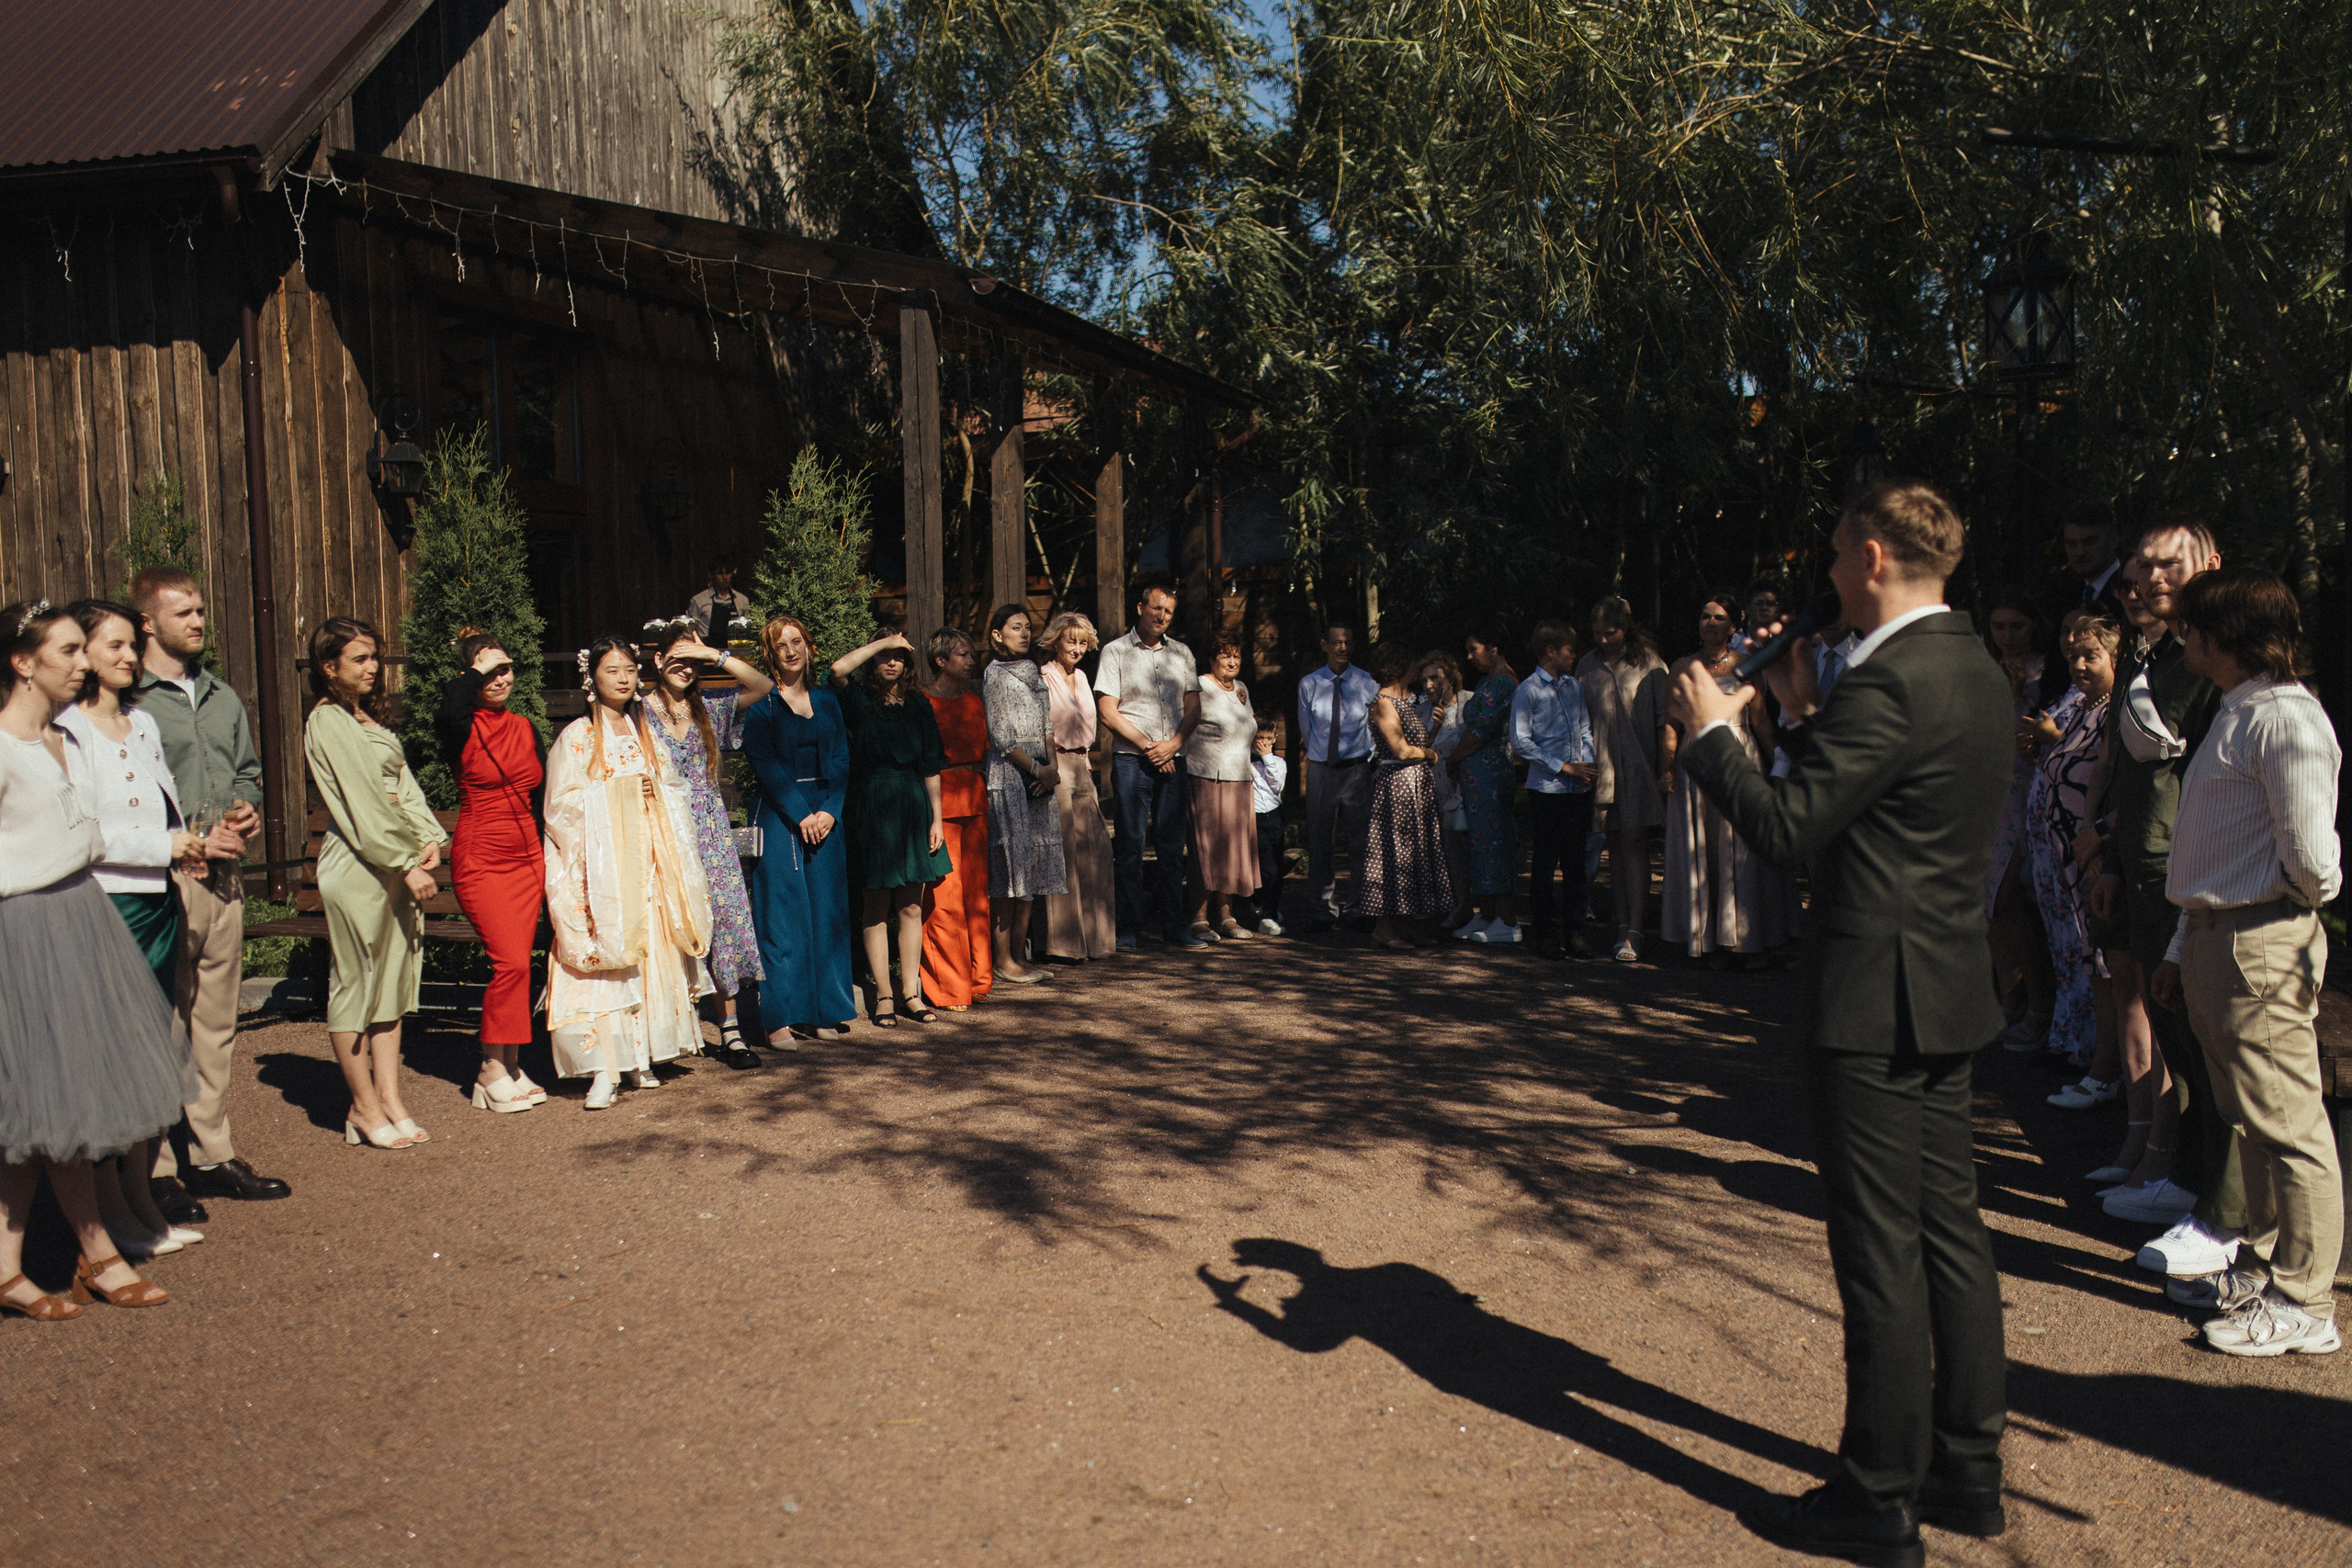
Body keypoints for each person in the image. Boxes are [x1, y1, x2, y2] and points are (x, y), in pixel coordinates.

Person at [1670, 480, 2011, 1561]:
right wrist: (1807, 712)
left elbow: (1784, 832)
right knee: (1949, 1234)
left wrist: (1713, 733)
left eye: (1830, 556)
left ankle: (1876, 1495)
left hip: (1870, 998)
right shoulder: (1968, 664)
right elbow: (1883, 806)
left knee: (1878, 1251)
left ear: (1869, 556)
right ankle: (1966, 1471)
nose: (1823, 577)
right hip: (1943, 984)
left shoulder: (1890, 680)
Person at [2149, 570, 2342, 1354]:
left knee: (2289, 1125)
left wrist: (2278, 913)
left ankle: (2307, 1301)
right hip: (2218, 934)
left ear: (2225, 635)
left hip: (2257, 937)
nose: (2182, 638)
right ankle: (2265, 1267)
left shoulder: (2287, 717)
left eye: (2191, 626)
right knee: (2252, 1121)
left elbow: (2313, 857)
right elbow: (2213, 848)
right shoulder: (2241, 710)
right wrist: (2181, 943)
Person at [0, 602, 187, 1318]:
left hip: (80, 915)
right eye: (69, 650)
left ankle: (12, 1265)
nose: (84, 663)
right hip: (25, 928)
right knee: (47, 1097)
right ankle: (97, 1252)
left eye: (86, 649)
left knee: (51, 1102)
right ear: (24, 662)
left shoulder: (64, 738)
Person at [2079, 521, 2239, 1275]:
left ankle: (2220, 1208)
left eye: (2167, 564)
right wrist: (2111, 854)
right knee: (2172, 1033)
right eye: (2140, 565)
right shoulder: (2154, 655)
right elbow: (2131, 773)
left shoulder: (2216, 664)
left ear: (2211, 565)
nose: (2148, 578)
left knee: (2206, 1047)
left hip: (2195, 881)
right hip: (2144, 872)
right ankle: (2186, 1179)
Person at [56, 600, 216, 1258]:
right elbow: (82, 832)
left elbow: (161, 805)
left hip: (158, 903)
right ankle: (110, 1213)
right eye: (115, 646)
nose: (129, 657)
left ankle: (142, 1199)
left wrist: (190, 842)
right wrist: (161, 845)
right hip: (107, 907)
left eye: (131, 644)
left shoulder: (142, 721)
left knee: (154, 1056)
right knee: (112, 1063)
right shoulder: (67, 731)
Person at [131, 568, 287, 1212]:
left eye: (200, 610)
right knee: (161, 1022)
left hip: (225, 879)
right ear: (147, 622)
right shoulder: (129, 701)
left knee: (216, 1024)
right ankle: (157, 1167)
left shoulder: (222, 697)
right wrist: (180, 841)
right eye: (184, 612)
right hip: (161, 880)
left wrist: (246, 807)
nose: (199, 621)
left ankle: (212, 1154)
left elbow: (246, 772)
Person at [544, 635, 715, 1106]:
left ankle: (640, 1056)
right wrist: (618, 796)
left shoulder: (647, 735)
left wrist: (656, 795)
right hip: (603, 872)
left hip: (648, 865)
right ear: (591, 678)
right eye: (611, 670)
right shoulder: (577, 736)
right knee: (609, 960)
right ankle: (604, 1067)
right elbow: (560, 807)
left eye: (629, 670)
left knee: (647, 953)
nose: (622, 678)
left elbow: (673, 788)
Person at [303, 617, 449, 1149]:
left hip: (394, 860)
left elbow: (403, 786)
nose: (372, 668)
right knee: (356, 982)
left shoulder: (366, 717)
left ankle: (391, 1100)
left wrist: (429, 836)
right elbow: (362, 801)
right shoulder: (327, 720)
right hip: (358, 862)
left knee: (390, 981)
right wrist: (404, 861)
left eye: (374, 658)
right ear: (329, 667)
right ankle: (363, 1107)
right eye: (359, 659)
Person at [643, 620, 774, 1066]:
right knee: (667, 922)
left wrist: (713, 655)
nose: (685, 667)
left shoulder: (710, 708)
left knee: (722, 922)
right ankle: (668, 1031)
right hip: (661, 828)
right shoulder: (638, 713)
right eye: (676, 658)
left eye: (692, 662)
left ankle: (731, 1031)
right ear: (658, 660)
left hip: (710, 830)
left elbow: (764, 686)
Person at [436, 633, 552, 1109]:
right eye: (488, 671)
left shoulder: (524, 727)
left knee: (520, 962)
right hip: (482, 855)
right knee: (509, 963)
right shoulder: (460, 726)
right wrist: (476, 668)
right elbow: (449, 706)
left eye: (506, 669)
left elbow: (541, 799)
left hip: (528, 859)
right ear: (470, 676)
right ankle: (489, 1068)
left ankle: (512, 1063)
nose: (500, 679)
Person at [1659, 591, 1790, 968]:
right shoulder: (1682, 666)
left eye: (1719, 617)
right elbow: (1670, 723)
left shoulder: (1749, 665)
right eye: (1705, 616)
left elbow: (1761, 720)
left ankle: (1744, 941)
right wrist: (1666, 767)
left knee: (1742, 847)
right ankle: (1705, 941)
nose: (1710, 623)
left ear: (1734, 625)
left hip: (1740, 754)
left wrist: (1780, 766)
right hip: (1696, 759)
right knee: (1702, 848)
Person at [741, 616, 855, 1042]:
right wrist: (800, 813)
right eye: (780, 645)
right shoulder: (763, 704)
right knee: (782, 918)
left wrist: (831, 810)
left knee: (828, 913)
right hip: (779, 814)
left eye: (796, 642)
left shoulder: (826, 699)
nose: (790, 651)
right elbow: (765, 764)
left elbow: (841, 757)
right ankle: (780, 1016)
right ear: (770, 655)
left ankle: (824, 1010)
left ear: (809, 646)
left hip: (825, 813)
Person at [831, 630, 951, 1022]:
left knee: (912, 906)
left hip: (914, 804)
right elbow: (837, 670)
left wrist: (937, 819)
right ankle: (883, 995)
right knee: (876, 905)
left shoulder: (918, 705)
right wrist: (883, 642)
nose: (891, 661)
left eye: (899, 655)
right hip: (873, 804)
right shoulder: (860, 701)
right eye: (885, 655)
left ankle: (910, 993)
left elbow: (931, 765)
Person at [2021, 610, 2116, 1068]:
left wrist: (2093, 844)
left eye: (2091, 655)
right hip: (2064, 856)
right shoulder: (2080, 707)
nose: (2079, 665)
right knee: (2076, 954)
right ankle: (2082, 1049)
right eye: (2074, 655)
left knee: (2100, 960)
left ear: (2115, 656)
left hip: (2094, 856)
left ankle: (2105, 1064)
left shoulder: (2116, 712)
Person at [1096, 579, 1200, 949]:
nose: (1162, 616)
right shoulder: (1115, 651)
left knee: (1172, 846)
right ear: (1140, 608)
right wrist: (1149, 748)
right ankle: (1129, 928)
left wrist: (1172, 746)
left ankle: (1175, 927)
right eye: (1156, 608)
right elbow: (1107, 712)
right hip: (1131, 762)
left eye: (1169, 611)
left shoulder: (1182, 654)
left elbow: (1193, 709)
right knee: (1130, 846)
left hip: (1174, 758)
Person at [1984, 588, 2059, 1050]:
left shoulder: (2050, 672)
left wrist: (2015, 697)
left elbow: (2031, 738)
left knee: (2012, 894)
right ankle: (2008, 999)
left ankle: (2039, 1005)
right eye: (1999, 626)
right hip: (1988, 789)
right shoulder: (1983, 665)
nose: (2007, 636)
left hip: (2031, 789)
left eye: (2017, 626)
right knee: (1990, 900)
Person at [981, 604, 1067, 981]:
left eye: (1027, 627)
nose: (1024, 633)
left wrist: (1052, 769)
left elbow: (1047, 724)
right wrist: (1036, 770)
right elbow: (1001, 738)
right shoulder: (994, 675)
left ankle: (1019, 955)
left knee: (1031, 865)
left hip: (1040, 776)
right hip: (1011, 775)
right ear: (997, 635)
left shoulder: (1033, 670)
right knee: (1010, 866)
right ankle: (1003, 959)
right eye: (1015, 627)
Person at [1579, 597, 1668, 964]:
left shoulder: (1649, 662)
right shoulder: (1587, 664)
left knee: (1635, 841)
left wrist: (1665, 769)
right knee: (1613, 843)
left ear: (1626, 627)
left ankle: (1636, 928)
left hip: (1638, 765)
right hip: (1602, 768)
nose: (1603, 640)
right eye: (1597, 633)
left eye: (1611, 632)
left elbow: (1664, 722)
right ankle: (1621, 924)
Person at [1360, 643, 1455, 948]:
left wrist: (1434, 730)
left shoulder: (1402, 702)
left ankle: (1405, 923)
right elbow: (1401, 751)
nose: (1415, 670)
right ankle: (1384, 928)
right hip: (1398, 787)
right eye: (1411, 664)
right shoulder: (1384, 703)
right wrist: (1428, 754)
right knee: (1394, 853)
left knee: (1412, 854)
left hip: (1415, 786)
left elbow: (1417, 746)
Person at [1511, 622, 1597, 959]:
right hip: (1547, 789)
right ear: (1550, 651)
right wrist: (1563, 767)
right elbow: (1521, 741)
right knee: (1546, 863)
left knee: (1576, 863)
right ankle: (1545, 934)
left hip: (1576, 790)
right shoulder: (1529, 690)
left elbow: (1584, 727)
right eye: (1569, 651)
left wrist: (1586, 763)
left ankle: (1575, 931)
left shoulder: (1573, 687)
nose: (1573, 657)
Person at [920, 628, 993, 1009]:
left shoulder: (974, 701)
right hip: (941, 803)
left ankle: (979, 979)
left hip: (975, 798)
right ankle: (951, 987)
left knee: (976, 894)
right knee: (944, 896)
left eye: (971, 654)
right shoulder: (923, 700)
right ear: (941, 660)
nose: (970, 661)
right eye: (963, 654)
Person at [1036, 613, 1116, 961]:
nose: (1078, 648)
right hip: (1055, 767)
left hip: (1083, 767)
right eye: (1071, 641)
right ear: (1056, 641)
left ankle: (1096, 941)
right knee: (1063, 854)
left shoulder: (1083, 677)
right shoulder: (1043, 676)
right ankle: (1064, 945)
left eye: (1083, 643)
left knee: (1094, 851)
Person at [1295, 619, 1379, 930]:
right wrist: (1322, 759)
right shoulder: (1310, 684)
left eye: (1347, 643)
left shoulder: (1367, 683)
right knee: (1320, 842)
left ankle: (1358, 908)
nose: (1342, 648)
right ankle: (1322, 910)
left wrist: (1366, 760)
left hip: (1356, 771)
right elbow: (1308, 729)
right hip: (1321, 771)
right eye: (1336, 642)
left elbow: (1374, 727)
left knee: (1360, 841)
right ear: (1325, 646)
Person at [1184, 633, 1260, 942]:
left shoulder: (1241, 688)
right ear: (1212, 659)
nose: (1232, 662)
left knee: (1232, 851)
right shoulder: (1200, 686)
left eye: (1236, 656)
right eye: (1225, 656)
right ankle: (1199, 919)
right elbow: (1185, 726)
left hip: (1240, 778)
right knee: (1207, 850)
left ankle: (1227, 917)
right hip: (1208, 777)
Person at [1449, 626, 1520, 942]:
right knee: (1479, 845)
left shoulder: (1503, 683)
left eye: (1473, 649)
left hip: (1491, 774)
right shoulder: (1486, 682)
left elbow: (1479, 733)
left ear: (1494, 648)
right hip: (1477, 777)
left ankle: (1507, 918)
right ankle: (1487, 913)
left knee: (1493, 843)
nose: (1469, 656)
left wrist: (1452, 760)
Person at [1416, 651, 1474, 930]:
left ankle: (1483, 909)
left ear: (1449, 678)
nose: (1429, 685)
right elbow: (1417, 752)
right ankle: (1457, 906)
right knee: (1448, 851)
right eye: (1424, 680)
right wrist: (1434, 730)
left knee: (1473, 849)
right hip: (1436, 791)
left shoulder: (1470, 703)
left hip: (1469, 787)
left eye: (1435, 678)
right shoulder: (1421, 712)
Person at [2040, 513, 2126, 629]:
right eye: (2072, 544)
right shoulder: (2062, 591)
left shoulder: (2128, 587)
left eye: (2089, 542)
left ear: (2114, 540)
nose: (2080, 552)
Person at [1246, 714, 1289, 935]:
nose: (1263, 743)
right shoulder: (1245, 759)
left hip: (1274, 815)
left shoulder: (1278, 762)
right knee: (1267, 869)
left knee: (1276, 867)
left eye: (1268, 739)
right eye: (1259, 738)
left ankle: (1267, 907)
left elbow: (1277, 785)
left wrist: (1267, 757)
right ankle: (1266, 914)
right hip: (1253, 816)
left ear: (1275, 738)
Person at [685, 557, 749, 649]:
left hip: (734, 652)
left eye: (727, 573)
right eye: (720, 573)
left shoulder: (742, 600)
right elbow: (690, 632)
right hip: (706, 651)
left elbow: (748, 631)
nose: (725, 577)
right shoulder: (698, 601)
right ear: (711, 575)